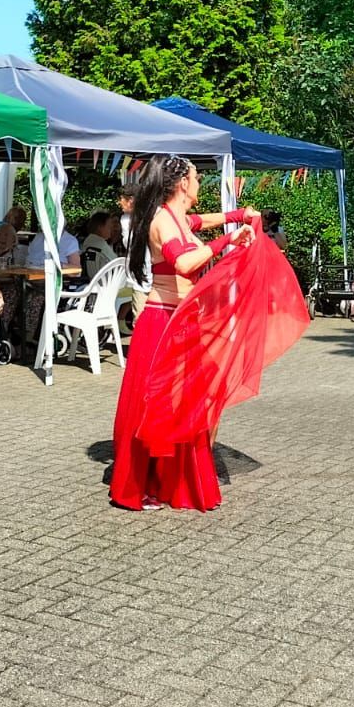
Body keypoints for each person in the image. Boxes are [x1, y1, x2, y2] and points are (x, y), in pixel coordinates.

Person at [110, 155, 261, 512]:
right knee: (156, 404)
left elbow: (201, 221)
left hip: (180, 321)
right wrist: (228, 240)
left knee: (181, 404)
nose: (198, 184)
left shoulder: (176, 216)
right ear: (181, 183)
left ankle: (167, 482)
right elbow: (184, 262)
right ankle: (138, 486)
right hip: (161, 322)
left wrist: (238, 215)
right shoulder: (162, 219)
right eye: (195, 177)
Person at [118, 190, 150, 322]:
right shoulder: (125, 219)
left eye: (121, 199)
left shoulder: (151, 216)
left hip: (152, 271)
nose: (119, 203)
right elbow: (129, 244)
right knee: (140, 316)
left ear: (131, 200)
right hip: (139, 273)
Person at [79, 211, 117, 280]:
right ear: (100, 227)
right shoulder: (97, 246)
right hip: (106, 283)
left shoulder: (92, 242)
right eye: (109, 227)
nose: (111, 229)